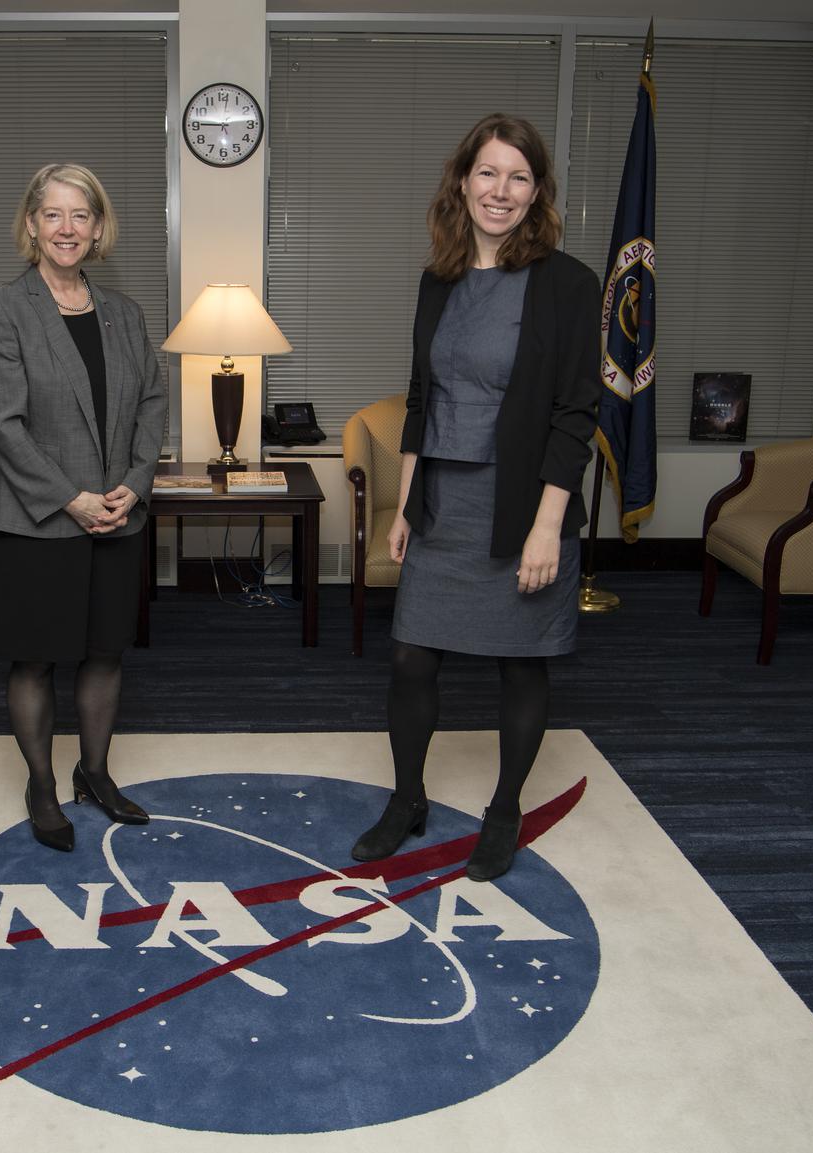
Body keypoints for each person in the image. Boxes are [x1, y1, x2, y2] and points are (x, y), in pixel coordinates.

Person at [351, 115, 601, 880]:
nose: (501, 190)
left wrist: (547, 527)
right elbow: (422, 397)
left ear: (537, 191)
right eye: (488, 173)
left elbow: (575, 413)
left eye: (518, 177)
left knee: (521, 664)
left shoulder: (568, 283)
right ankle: (407, 798)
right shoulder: (439, 279)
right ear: (462, 182)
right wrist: (405, 503)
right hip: (444, 502)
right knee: (409, 657)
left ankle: (504, 809)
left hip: (524, 503)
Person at [0, 163, 166, 852]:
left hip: (117, 514)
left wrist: (134, 484)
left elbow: (152, 404)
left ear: (98, 226)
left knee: (105, 652)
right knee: (35, 660)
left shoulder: (124, 313)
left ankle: (94, 773)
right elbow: (4, 424)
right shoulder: (3, 310)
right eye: (53, 214)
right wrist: (71, 499)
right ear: (31, 224)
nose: (67, 228)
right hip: (38, 520)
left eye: (81, 215)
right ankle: (41, 785)